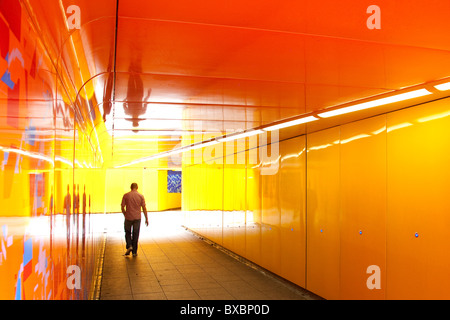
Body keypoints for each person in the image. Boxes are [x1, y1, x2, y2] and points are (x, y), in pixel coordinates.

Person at [121, 183, 148, 256]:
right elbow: (144, 208)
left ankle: (129, 245)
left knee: (127, 232)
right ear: (137, 187)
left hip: (128, 217)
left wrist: (125, 214)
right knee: (136, 234)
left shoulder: (126, 195)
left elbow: (122, 207)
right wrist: (146, 218)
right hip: (137, 218)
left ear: (130, 187)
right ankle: (134, 252)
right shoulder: (140, 196)